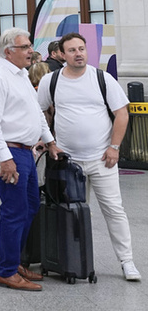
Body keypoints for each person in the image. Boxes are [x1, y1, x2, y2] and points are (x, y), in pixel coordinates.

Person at [37, 33, 141, 281]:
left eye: (81, 48)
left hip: (102, 159)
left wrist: (114, 147)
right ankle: (73, 260)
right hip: (67, 162)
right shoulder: (50, 81)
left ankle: (127, 261)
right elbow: (39, 111)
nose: (78, 53)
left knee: (114, 210)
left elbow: (122, 113)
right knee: (71, 212)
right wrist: (49, 142)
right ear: (61, 54)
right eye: (72, 50)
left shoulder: (101, 78)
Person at [0, 27, 60, 291]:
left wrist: (49, 140)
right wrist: (5, 159)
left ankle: (13, 262)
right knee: (15, 210)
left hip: (25, 151)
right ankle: (6, 271)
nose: (30, 51)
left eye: (29, 46)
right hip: (9, 151)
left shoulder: (22, 74)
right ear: (8, 52)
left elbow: (36, 113)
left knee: (30, 207)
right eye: (25, 47)